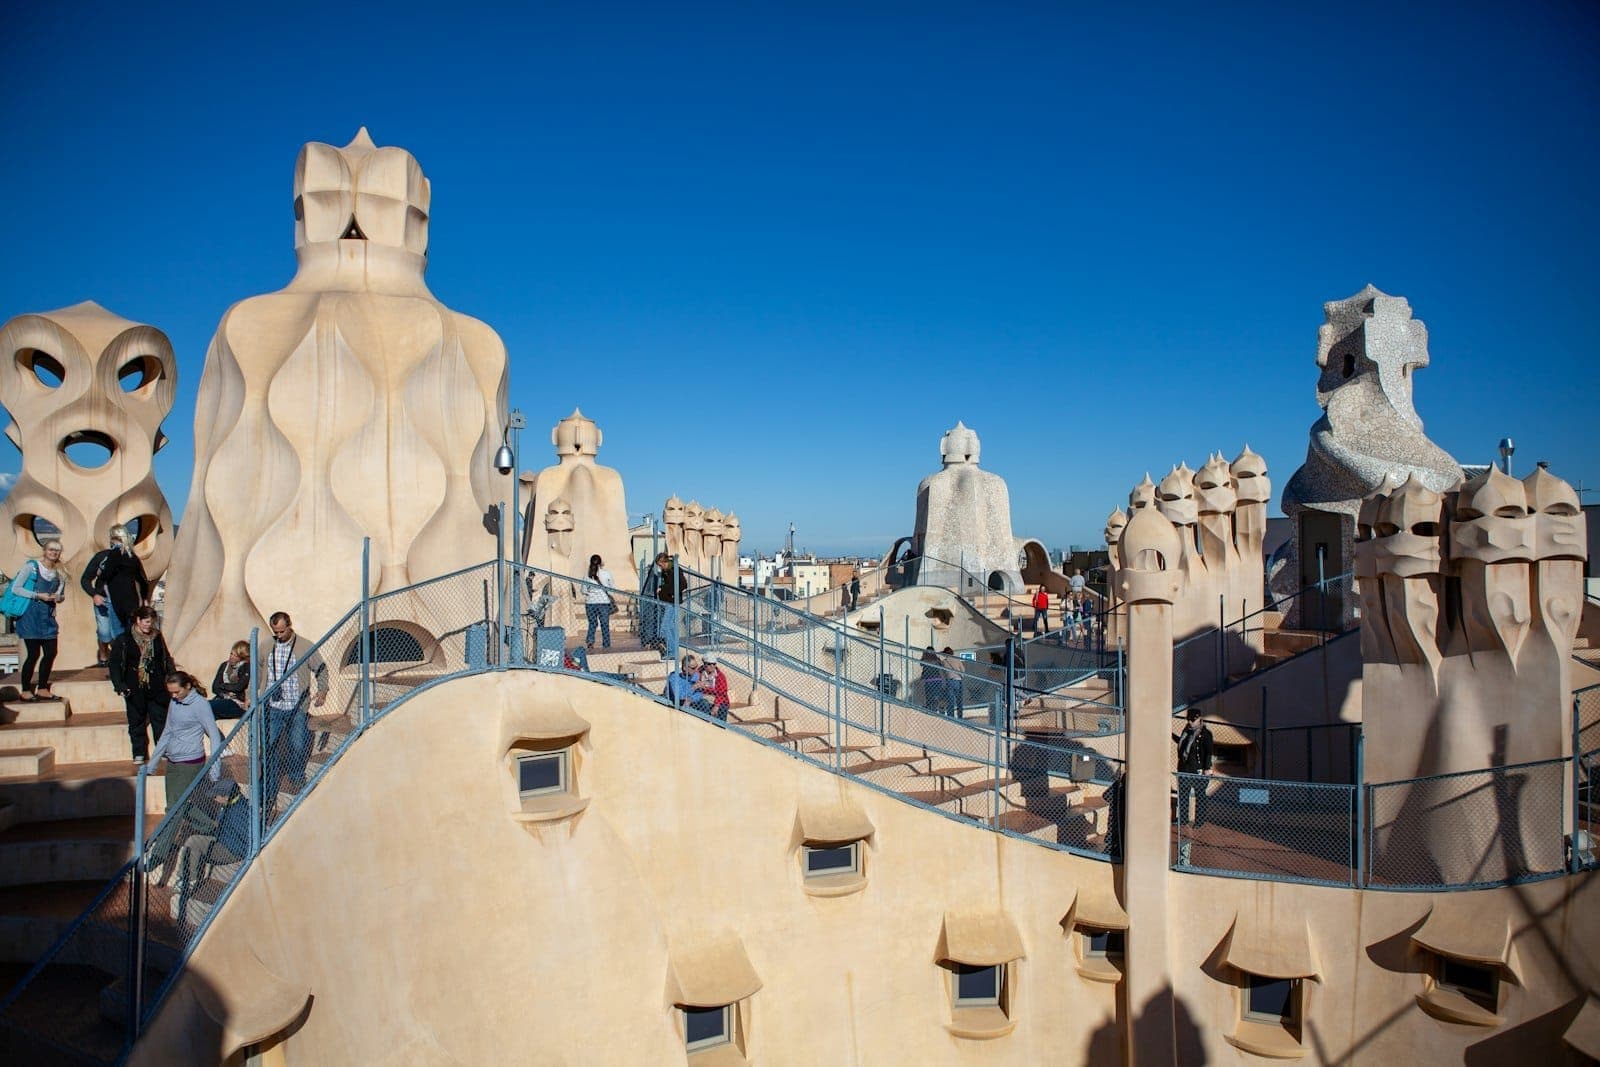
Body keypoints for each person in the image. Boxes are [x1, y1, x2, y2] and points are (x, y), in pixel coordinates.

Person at [147, 671, 224, 882]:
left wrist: (215, 770)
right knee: (176, 807)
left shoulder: (200, 705)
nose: (173, 696)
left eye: (177, 692)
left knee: (174, 809)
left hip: (190, 764)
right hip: (172, 763)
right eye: (170, 693)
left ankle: (158, 855)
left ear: (188, 686)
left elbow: (214, 735)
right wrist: (153, 763)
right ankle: (213, 827)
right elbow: (167, 732)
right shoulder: (175, 703)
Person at [259, 611, 329, 797]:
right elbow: (257, 668)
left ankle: (296, 776)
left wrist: (322, 691)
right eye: (276, 632)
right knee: (269, 744)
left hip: (297, 706)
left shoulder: (305, 646)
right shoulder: (266, 646)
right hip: (273, 706)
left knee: (297, 745)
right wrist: (253, 692)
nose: (279, 636)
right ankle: (269, 780)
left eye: (282, 631)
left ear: (289, 626)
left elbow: (321, 669)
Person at [109, 606, 175, 763]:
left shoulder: (157, 637)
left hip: (157, 686)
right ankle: (139, 752)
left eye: (151, 622)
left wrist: (172, 677)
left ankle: (163, 750)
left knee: (160, 719)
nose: (148, 625)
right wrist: (120, 685)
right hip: (134, 687)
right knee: (136, 721)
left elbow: (165, 658)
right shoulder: (124, 640)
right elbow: (115, 665)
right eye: (146, 622)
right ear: (137, 620)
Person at [9, 539, 66, 701]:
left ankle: (42, 687)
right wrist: (37, 595)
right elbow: (16, 588)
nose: (54, 553)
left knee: (51, 652)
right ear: (44, 550)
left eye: (57, 550)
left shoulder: (59, 572)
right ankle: (26, 689)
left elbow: (61, 595)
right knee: (33, 654)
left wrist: (58, 597)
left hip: (47, 616)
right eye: (51, 549)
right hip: (30, 615)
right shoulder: (31, 567)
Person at [83, 524, 150, 635]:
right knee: (121, 632)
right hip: (126, 600)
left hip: (116, 600)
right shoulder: (132, 557)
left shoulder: (115, 554)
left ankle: (118, 651)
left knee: (118, 634)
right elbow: (142, 579)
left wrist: (101, 573)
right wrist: (144, 598)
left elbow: (107, 574)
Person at [1174, 710, 1215, 828]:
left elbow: (1208, 752)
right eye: (1188, 720)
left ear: (1199, 719)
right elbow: (1183, 744)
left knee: (1200, 795)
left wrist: (1206, 768)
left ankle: (1199, 822)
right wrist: (1171, 735)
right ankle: (1182, 819)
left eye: (1193, 720)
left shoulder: (1205, 734)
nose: (1190, 722)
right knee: (1183, 795)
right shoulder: (1186, 731)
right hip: (1184, 768)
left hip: (1198, 769)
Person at [651, 553, 688, 654]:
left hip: (672, 601)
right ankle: (673, 650)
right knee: (670, 627)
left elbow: (683, 584)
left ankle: (672, 651)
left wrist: (664, 590)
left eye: (660, 565)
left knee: (665, 627)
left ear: (664, 562)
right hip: (670, 601)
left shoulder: (674, 570)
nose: (660, 567)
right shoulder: (667, 571)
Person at [210, 640, 252, 719]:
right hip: (223, 698)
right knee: (205, 709)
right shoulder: (224, 665)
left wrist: (222, 685)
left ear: (242, 658)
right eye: (231, 653)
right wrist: (224, 694)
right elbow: (214, 687)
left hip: (237, 703)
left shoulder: (246, 667)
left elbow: (238, 687)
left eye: (236, 656)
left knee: (210, 706)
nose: (231, 657)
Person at [583, 554, 616, 651]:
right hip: (603, 602)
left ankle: (590, 641)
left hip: (590, 603)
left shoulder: (587, 576)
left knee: (592, 623)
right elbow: (612, 588)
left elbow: (584, 590)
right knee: (604, 624)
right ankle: (606, 643)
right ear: (601, 563)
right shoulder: (606, 573)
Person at [697, 654, 731, 721]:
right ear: (704, 665)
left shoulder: (720, 676)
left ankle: (721, 727)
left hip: (717, 698)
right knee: (704, 703)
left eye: (714, 664)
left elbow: (722, 692)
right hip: (703, 697)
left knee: (723, 707)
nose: (712, 666)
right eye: (709, 664)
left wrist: (716, 705)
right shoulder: (698, 673)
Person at [918, 645, 945, 713]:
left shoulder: (925, 659)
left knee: (929, 695)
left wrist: (924, 655)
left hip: (929, 680)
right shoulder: (937, 659)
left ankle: (930, 709)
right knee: (938, 695)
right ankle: (938, 709)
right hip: (937, 679)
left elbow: (921, 664)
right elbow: (941, 665)